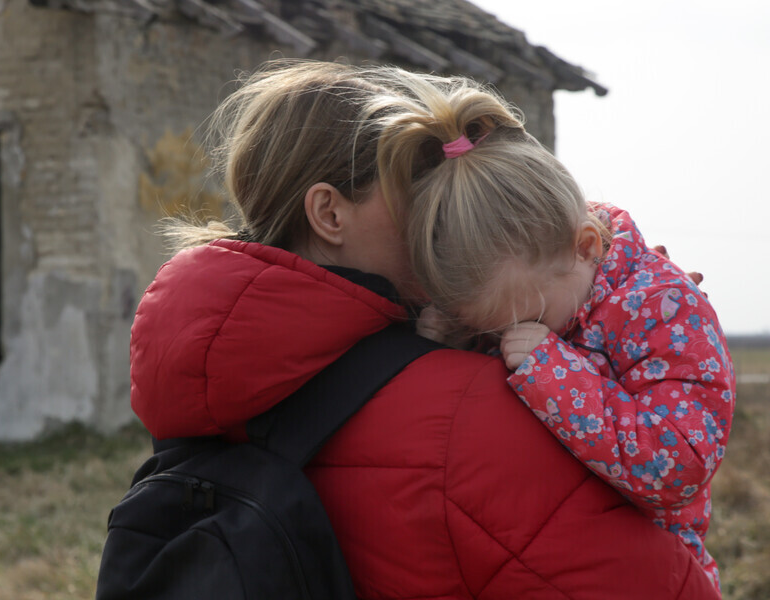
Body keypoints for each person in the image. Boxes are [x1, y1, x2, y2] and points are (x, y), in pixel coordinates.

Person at [129, 60, 719, 598]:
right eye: (415, 189)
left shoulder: (208, 385)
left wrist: (625, 308)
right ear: (329, 213)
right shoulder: (463, 412)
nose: (444, 217)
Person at [373, 70, 735, 592]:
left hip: (654, 564)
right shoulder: (541, 288)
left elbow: (677, 466)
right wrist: (453, 339)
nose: (514, 339)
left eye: (529, 321)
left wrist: (555, 372)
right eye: (491, 329)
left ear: (587, 245)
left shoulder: (667, 310)